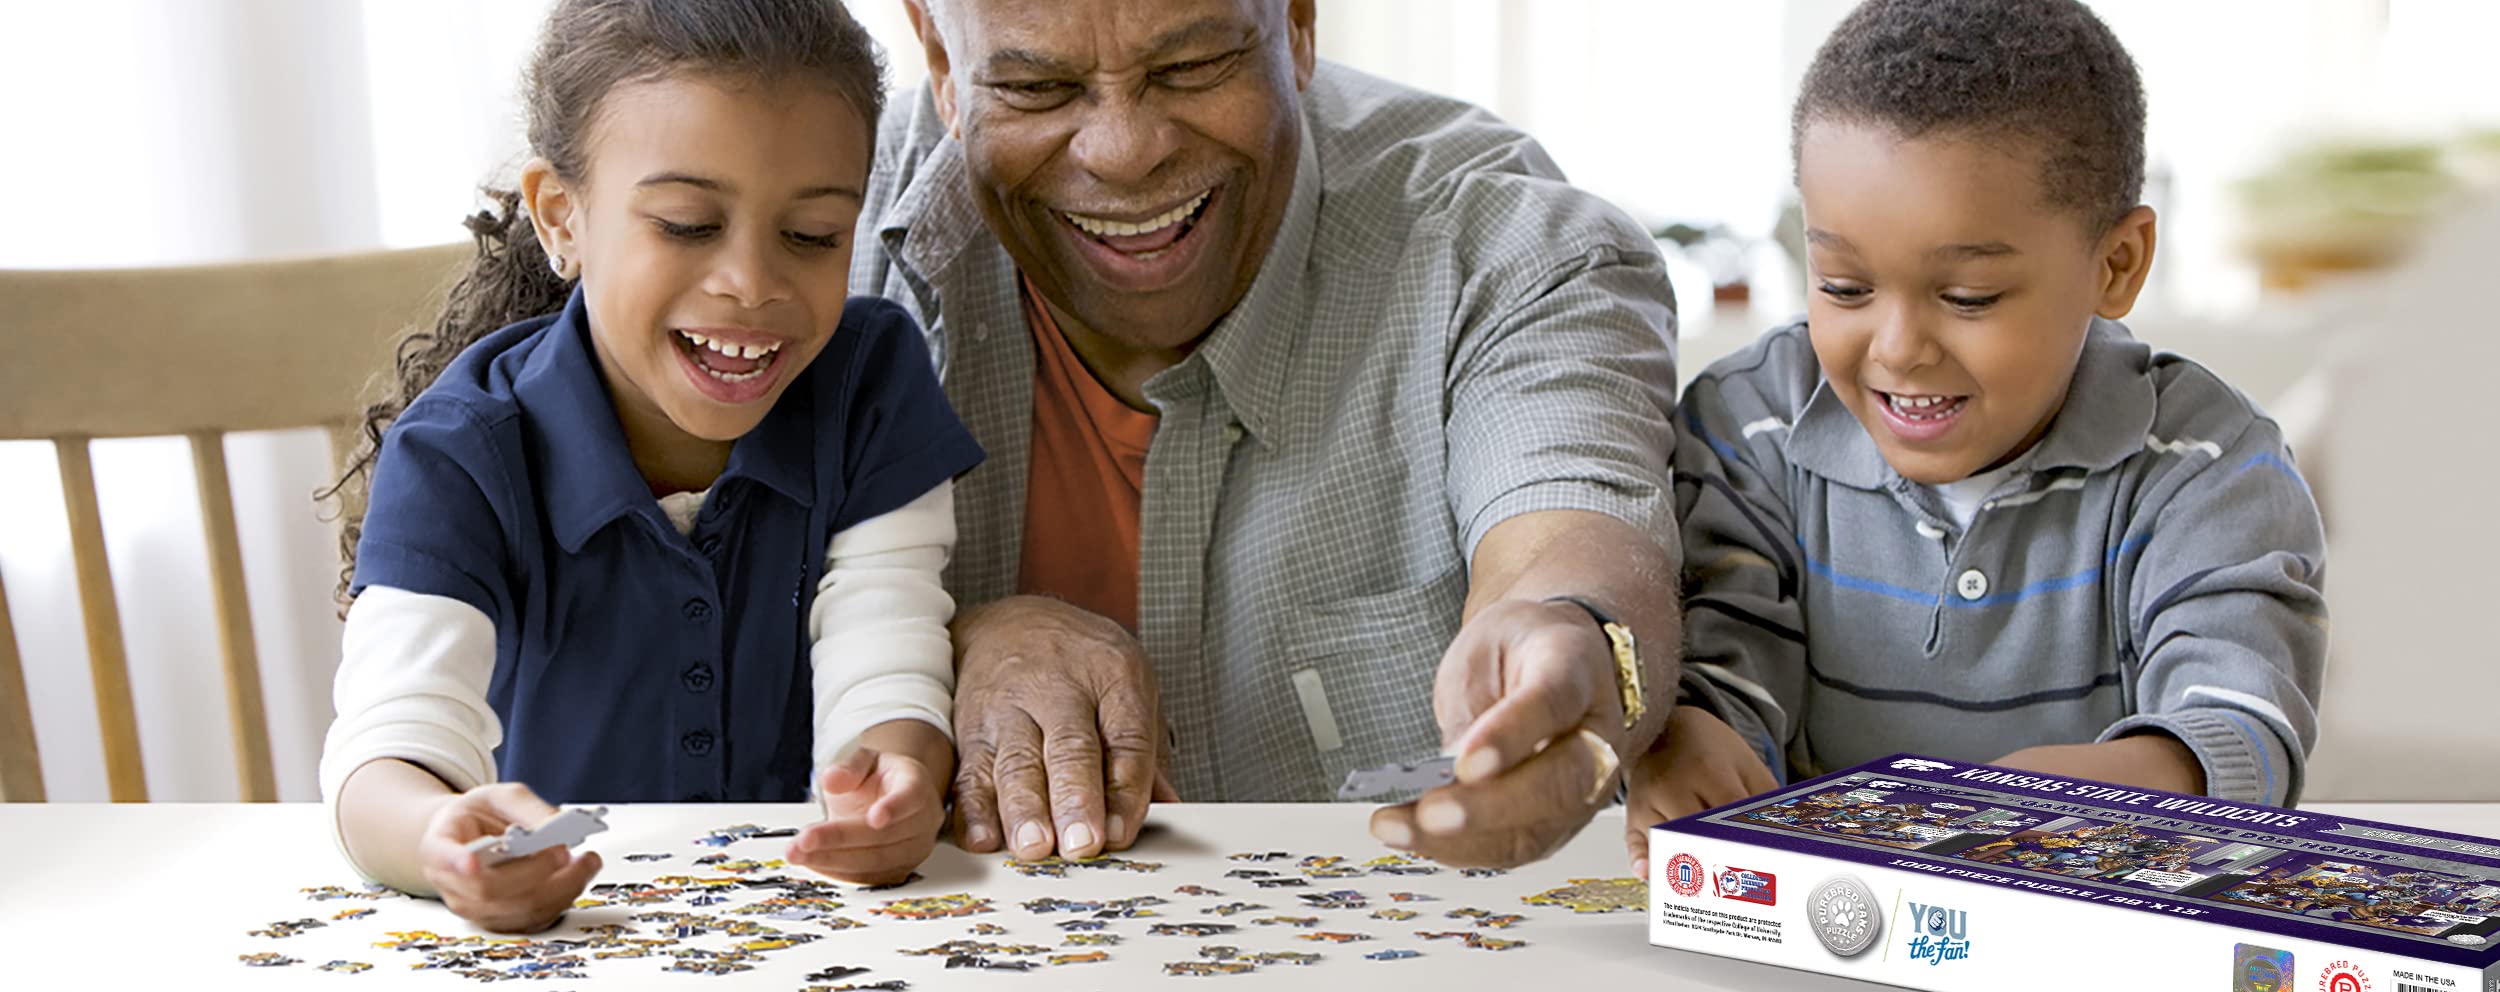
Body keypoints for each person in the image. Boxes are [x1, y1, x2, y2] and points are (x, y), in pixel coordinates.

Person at [857, 0, 1682, 869]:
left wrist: (1577, 645)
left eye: (1191, 67)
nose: (1124, 151)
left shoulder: (1503, 244)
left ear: (1296, 23)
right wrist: (937, 642)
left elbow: (1568, 539)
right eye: (1035, 86)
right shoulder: (795, 223)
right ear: (941, 61)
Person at [316, 0, 983, 932]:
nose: (751, 281)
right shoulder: (460, 451)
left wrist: (894, 778)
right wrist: (438, 837)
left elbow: (886, 647)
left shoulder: (871, 384)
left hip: (813, 929)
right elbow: (386, 750)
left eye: (814, 235)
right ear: (561, 217)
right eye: (684, 223)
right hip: (565, 939)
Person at [1627, 0, 2327, 875]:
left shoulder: (2207, 464)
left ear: (2116, 265)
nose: (1897, 349)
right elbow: (1725, 645)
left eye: (1967, 298)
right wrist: (1689, 733)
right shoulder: (1748, 424)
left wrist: (2130, 782)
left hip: (2088, 919)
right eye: (1844, 286)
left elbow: (2238, 711)